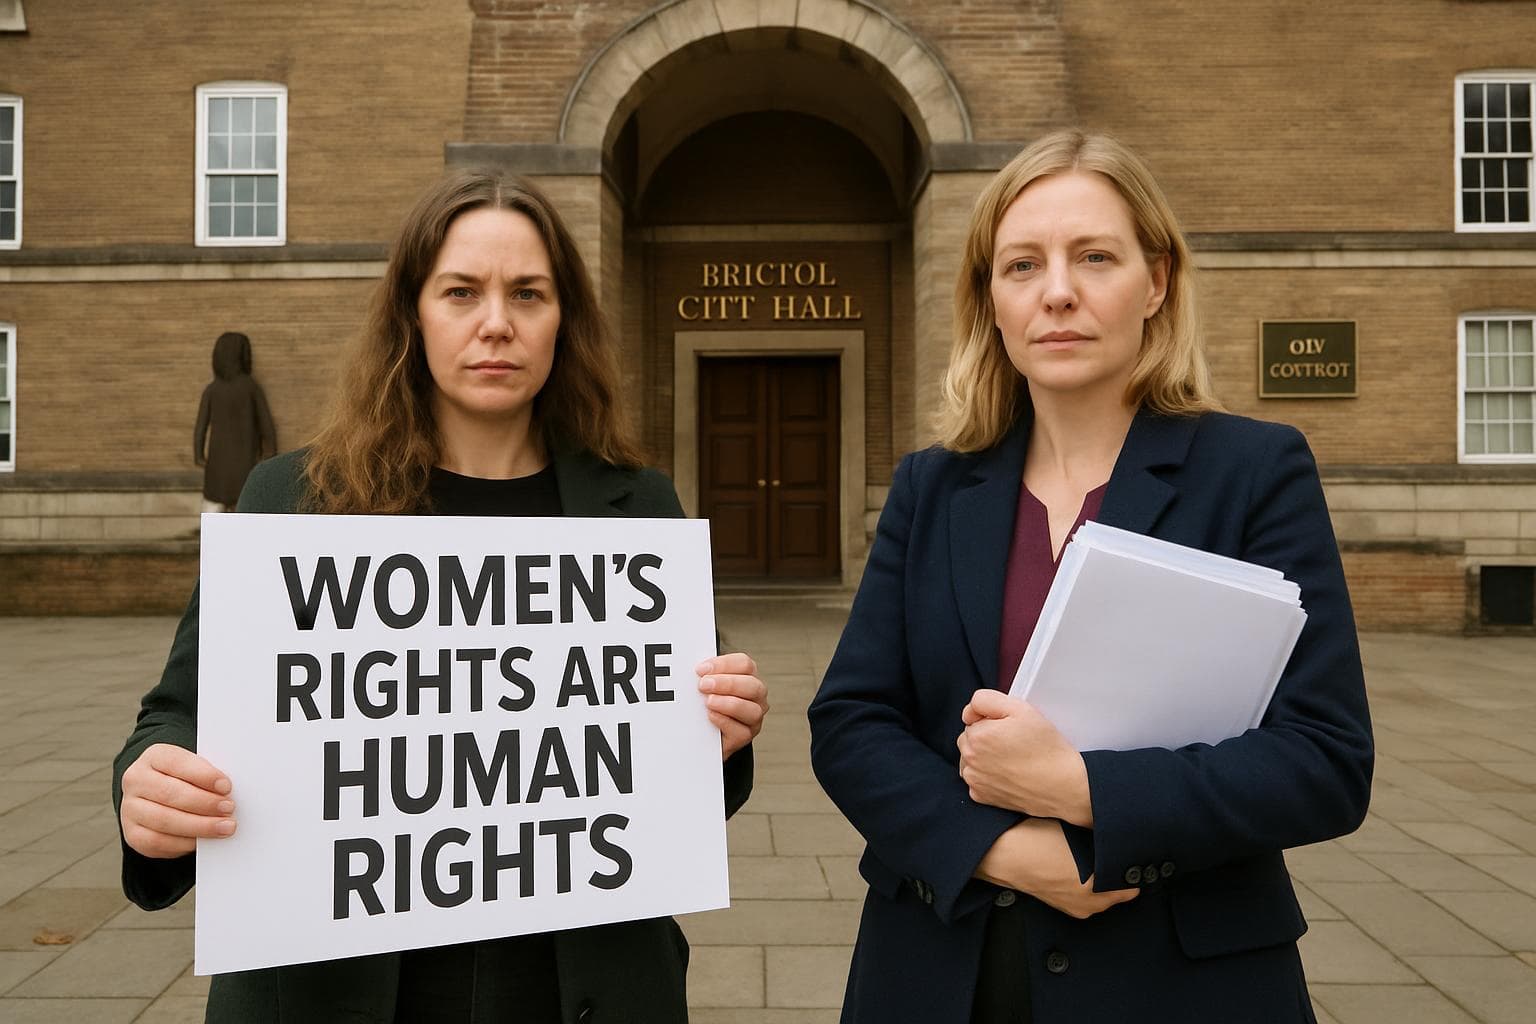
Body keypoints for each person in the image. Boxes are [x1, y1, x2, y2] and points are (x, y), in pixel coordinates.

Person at [114, 172, 770, 1023]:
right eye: (461, 291)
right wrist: (150, 785)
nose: (496, 322)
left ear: (562, 318)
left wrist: (721, 730)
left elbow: (675, 777)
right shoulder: (292, 499)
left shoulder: (636, 505)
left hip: (580, 987)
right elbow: (177, 713)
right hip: (330, 986)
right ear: (412, 314)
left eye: (527, 294)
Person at [807, 130, 1372, 1023]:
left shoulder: (1255, 473)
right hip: (945, 967)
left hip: (1181, 978)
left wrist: (1083, 791)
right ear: (992, 301)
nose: (1057, 292)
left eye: (1095, 257)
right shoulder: (931, 483)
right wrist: (993, 847)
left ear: (1157, 281)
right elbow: (852, 722)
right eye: (1023, 265)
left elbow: (1325, 760)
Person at [193, 330, 276, 512]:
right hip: (246, 470)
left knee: (214, 526)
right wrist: (268, 459)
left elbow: (200, 428)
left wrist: (199, 456)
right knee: (243, 526)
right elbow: (267, 428)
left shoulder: (211, 390)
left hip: (216, 474)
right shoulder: (251, 388)